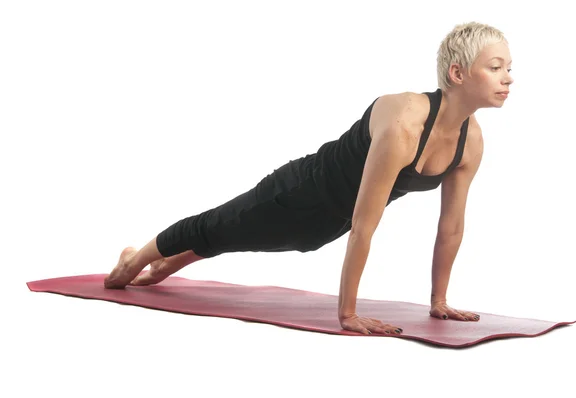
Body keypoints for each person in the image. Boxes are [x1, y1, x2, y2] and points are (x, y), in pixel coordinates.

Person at [104, 21, 514, 336]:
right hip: (298, 192)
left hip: (327, 226)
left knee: (231, 236)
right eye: (495, 67)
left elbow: (452, 228)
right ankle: (132, 263)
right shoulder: (406, 123)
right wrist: (347, 314)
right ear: (458, 74)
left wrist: (438, 301)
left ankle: (164, 266)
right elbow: (366, 224)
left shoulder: (471, 142)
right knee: (216, 225)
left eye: (509, 68)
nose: (507, 77)